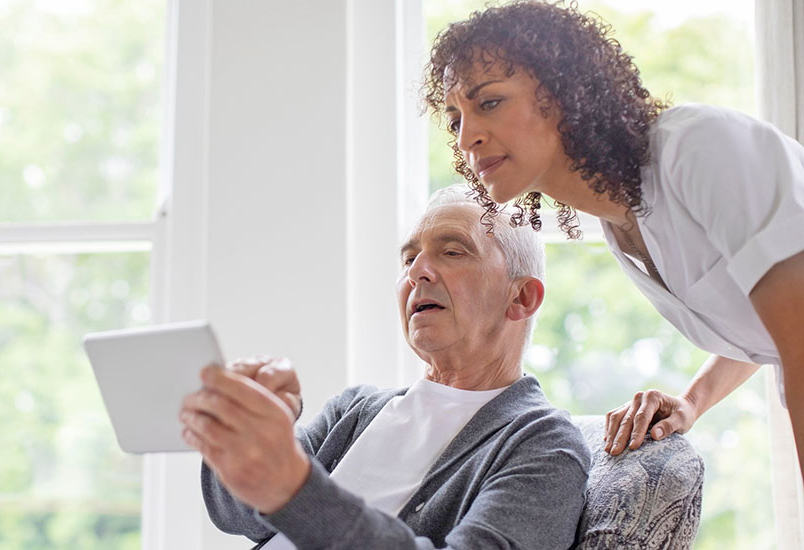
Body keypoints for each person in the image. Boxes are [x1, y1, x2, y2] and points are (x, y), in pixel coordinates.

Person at [421, 0, 804, 475]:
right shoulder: (619, 222)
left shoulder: (698, 148)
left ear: (563, 89)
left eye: (490, 102)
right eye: (456, 119)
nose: (466, 138)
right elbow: (769, 317)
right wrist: (691, 402)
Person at [178, 186, 590, 549]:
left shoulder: (544, 443)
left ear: (521, 297)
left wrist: (296, 490)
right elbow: (235, 513)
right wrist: (248, 431)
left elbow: (291, 496)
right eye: (409, 258)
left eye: (452, 251)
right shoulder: (355, 411)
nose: (417, 272)